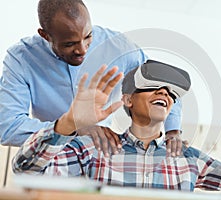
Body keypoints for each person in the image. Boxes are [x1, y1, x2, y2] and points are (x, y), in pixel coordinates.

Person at [13, 59, 221, 199]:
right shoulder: (91, 150)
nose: (165, 92)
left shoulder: (189, 160)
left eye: (171, 93)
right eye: (152, 86)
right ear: (128, 100)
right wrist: (69, 121)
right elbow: (26, 171)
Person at [0, 0, 182, 155]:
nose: (82, 49)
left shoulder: (119, 47)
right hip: (49, 156)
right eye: (69, 44)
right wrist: (71, 129)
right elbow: (8, 128)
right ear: (45, 35)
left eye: (88, 36)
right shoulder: (21, 59)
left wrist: (172, 131)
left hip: (98, 155)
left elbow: (163, 84)